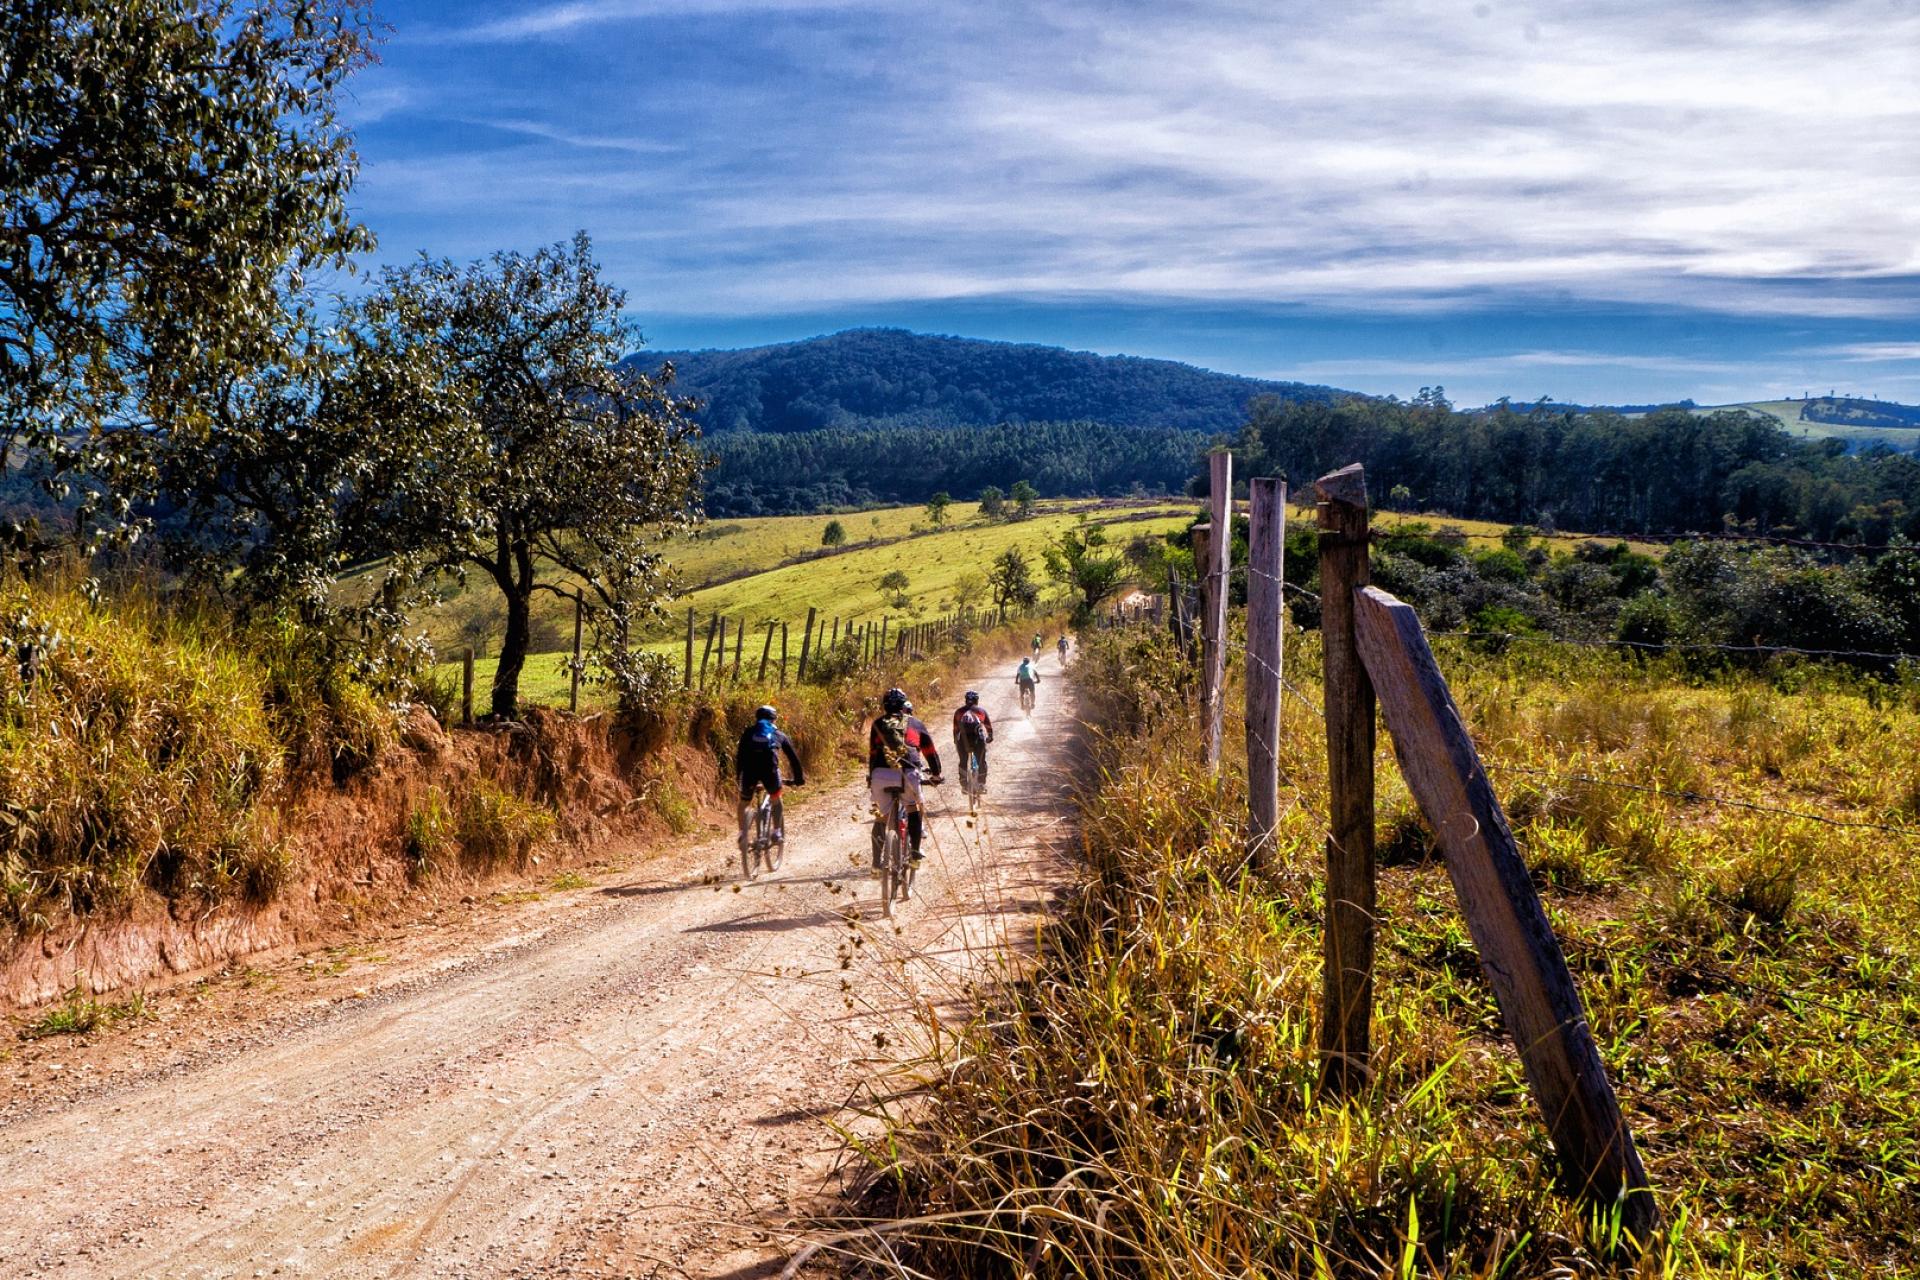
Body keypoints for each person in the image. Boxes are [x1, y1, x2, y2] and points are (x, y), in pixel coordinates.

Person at [867, 687, 942, 879]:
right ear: (904, 705)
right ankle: (915, 853)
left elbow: (873, 755)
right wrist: (936, 774)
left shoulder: (877, 724)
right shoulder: (915, 724)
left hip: (880, 775)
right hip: (908, 774)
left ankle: (876, 864)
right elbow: (930, 752)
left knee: (881, 818)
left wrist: (872, 777)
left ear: (884, 705)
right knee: (913, 808)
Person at [735, 704, 804, 856]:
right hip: (769, 772)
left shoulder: (748, 733)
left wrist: (738, 775)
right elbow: (794, 759)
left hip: (749, 772)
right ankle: (777, 831)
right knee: (776, 797)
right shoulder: (778, 734)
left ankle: (742, 834)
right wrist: (799, 779)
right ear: (774, 719)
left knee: (744, 802)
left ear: (757, 718)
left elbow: (740, 756)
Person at [951, 690, 994, 793]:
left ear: (966, 700)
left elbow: (955, 729)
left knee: (963, 761)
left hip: (963, 741)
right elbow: (988, 726)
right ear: (976, 701)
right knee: (981, 761)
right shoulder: (981, 711)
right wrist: (990, 737)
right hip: (977, 740)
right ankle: (981, 784)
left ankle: (964, 786)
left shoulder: (958, 712)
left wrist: (956, 741)